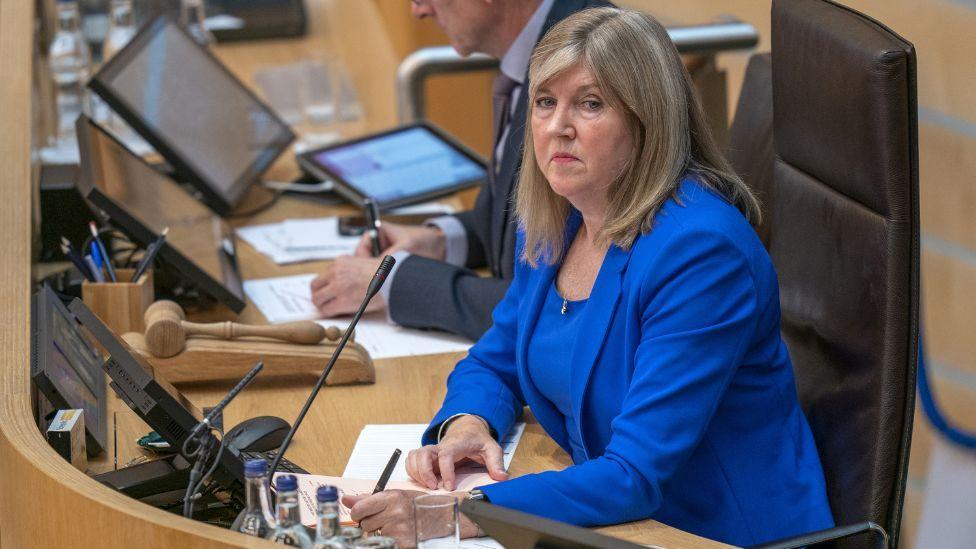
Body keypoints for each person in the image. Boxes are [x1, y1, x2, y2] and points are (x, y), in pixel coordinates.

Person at [340, 8, 835, 548]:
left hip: (710, 532)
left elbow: (634, 474)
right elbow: (496, 356)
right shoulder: (560, 215)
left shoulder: (701, 254)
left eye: (591, 104)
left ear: (648, 120)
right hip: (616, 520)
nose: (558, 127)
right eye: (545, 102)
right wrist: (468, 425)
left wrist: (455, 512)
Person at [311, 0, 612, 341]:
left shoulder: (589, 57)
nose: (419, 11)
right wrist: (440, 241)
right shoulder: (532, 59)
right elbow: (532, 227)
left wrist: (395, 283)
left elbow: (557, 309)